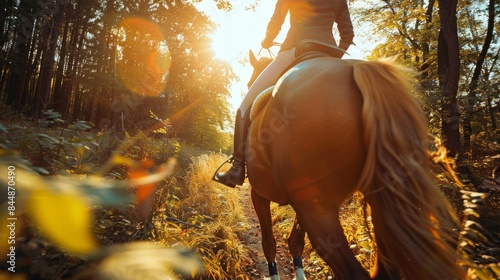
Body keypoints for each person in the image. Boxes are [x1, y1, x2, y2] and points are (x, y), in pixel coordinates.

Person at [213, 0, 354, 188]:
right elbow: (348, 34)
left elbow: (276, 20)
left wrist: (267, 40)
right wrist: (334, 58)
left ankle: (237, 168)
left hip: (295, 50)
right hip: (328, 55)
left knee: (245, 105)